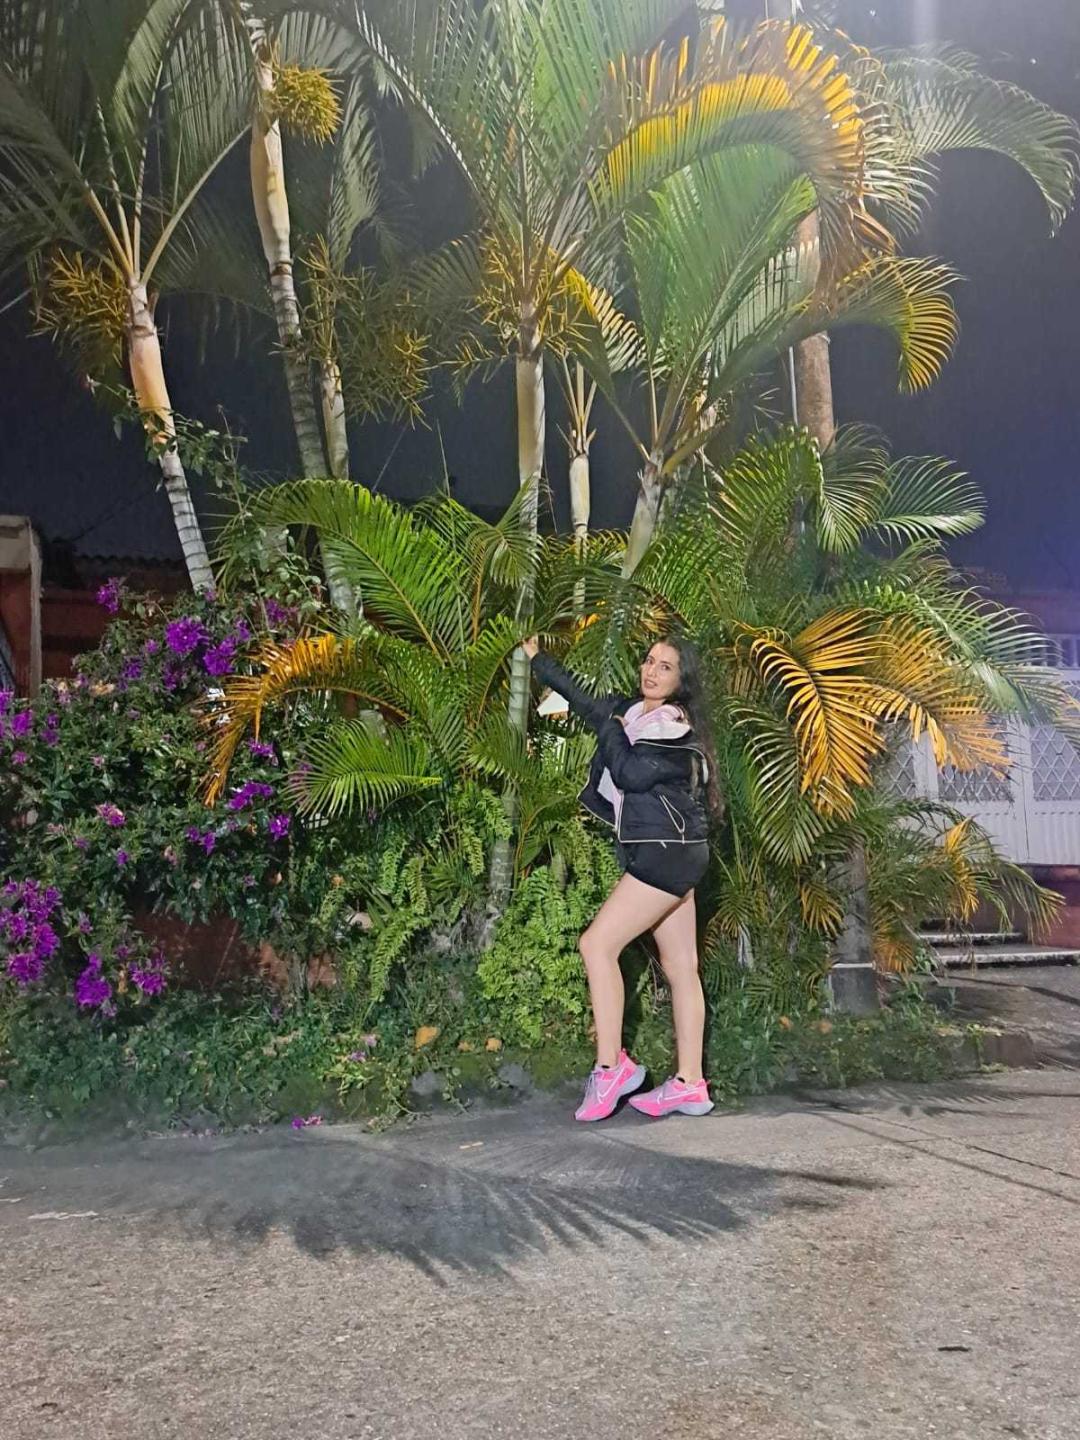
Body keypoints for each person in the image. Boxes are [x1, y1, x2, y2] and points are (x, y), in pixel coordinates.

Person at [521, 634, 720, 1123]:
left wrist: (611, 726)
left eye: (665, 666)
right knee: (681, 966)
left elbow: (629, 772)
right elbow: (585, 699)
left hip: (663, 854)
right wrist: (539, 660)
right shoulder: (633, 712)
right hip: (679, 852)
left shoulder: (673, 731)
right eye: (649, 660)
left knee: (596, 945)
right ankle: (690, 1084)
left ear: (682, 680)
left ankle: (612, 1069)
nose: (651, 671)